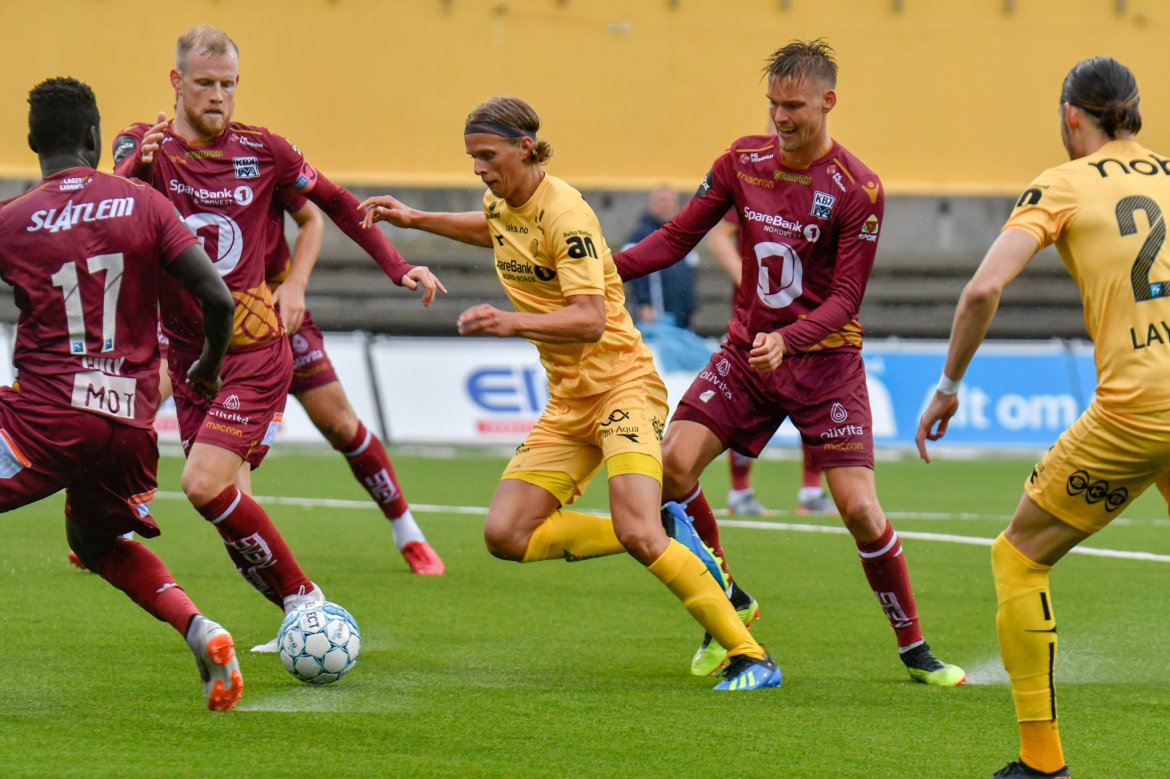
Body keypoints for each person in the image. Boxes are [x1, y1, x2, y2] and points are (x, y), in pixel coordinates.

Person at [360, 96, 782, 690]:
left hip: (622, 389)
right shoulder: (504, 199)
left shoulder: (568, 216)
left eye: (487, 156)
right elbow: (495, 228)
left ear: (525, 148)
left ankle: (752, 656)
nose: (478, 168)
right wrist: (415, 218)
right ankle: (664, 525)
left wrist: (511, 321)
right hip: (570, 400)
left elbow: (587, 318)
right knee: (506, 535)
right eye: (471, 157)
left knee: (639, 534)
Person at [614, 40, 965, 685]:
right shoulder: (740, 161)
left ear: (828, 102)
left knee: (859, 508)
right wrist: (604, 271)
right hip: (748, 355)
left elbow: (845, 300)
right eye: (773, 104)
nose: (780, 117)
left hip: (824, 364)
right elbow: (675, 237)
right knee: (670, 467)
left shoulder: (858, 188)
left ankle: (915, 648)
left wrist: (792, 339)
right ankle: (727, 607)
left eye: (794, 105)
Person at [110, 25, 446, 650]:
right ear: (177, 83)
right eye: (205, 84)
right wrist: (138, 165)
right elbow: (115, 205)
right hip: (189, 354)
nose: (218, 96)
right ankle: (297, 614)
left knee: (208, 483)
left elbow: (336, 204)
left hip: (255, 350)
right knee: (228, 508)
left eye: (228, 85)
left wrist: (399, 266)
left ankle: (311, 596)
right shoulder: (141, 143)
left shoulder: (263, 149)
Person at [917, 56, 1161, 779]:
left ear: (1069, 116)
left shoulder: (1061, 183)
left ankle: (1042, 762)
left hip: (1136, 412)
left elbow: (982, 288)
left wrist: (950, 383)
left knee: (1018, 557)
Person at [0, 77, 241, 710]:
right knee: (99, 545)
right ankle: (201, 628)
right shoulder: (144, 203)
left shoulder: (13, 220)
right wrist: (208, 371)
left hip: (44, 423)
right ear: (94, 136)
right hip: (129, 424)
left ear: (33, 142)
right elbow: (218, 300)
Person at [706, 209, 834, 516]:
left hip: (802, 317)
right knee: (746, 402)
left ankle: (812, 490)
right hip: (756, 318)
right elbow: (718, 237)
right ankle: (740, 492)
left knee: (810, 398)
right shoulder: (759, 182)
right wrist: (749, 282)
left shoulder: (821, 191)